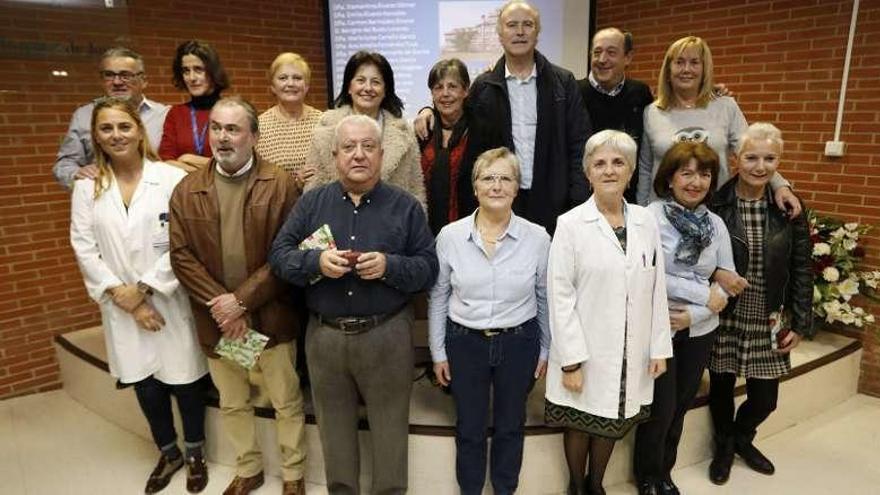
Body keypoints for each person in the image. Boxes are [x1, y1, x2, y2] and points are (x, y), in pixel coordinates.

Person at [269, 115, 438, 495]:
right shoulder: (312, 203)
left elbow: (429, 269)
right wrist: (315, 263)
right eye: (349, 147)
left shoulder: (406, 207)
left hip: (387, 334)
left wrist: (389, 266)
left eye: (367, 147)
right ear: (335, 155)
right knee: (334, 433)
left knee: (391, 431)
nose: (358, 155)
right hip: (324, 338)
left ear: (380, 154)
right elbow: (279, 256)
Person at [69, 97, 208, 494]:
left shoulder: (169, 177)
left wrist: (144, 289)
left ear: (140, 130)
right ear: (96, 135)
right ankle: (169, 451)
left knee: (184, 379)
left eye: (124, 127)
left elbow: (185, 241)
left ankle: (195, 451)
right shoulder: (87, 187)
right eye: (107, 128)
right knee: (145, 382)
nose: (116, 135)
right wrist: (122, 295)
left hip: (167, 295)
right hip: (121, 305)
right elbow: (83, 246)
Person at [169, 97, 307, 495]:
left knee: (286, 401)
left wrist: (242, 301)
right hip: (219, 321)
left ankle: (294, 475)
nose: (223, 138)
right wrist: (225, 307)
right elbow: (181, 256)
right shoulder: (187, 189)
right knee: (233, 401)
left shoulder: (281, 183)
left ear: (254, 136)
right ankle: (249, 469)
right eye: (216, 128)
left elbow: (291, 252)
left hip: (272, 316)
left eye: (233, 129)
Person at [545, 130, 672, 495]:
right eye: (599, 163)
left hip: (633, 348)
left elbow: (656, 287)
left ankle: (596, 484)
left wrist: (659, 346)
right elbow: (560, 295)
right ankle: (576, 485)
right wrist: (570, 361)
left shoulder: (647, 221)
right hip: (586, 348)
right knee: (582, 421)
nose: (609, 170)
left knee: (613, 419)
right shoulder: (570, 224)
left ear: (631, 171)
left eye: (618, 163)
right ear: (588, 173)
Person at [428, 147, 550, 495]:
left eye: (505, 178)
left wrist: (545, 348)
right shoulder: (450, 236)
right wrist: (438, 353)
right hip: (464, 342)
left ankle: (504, 490)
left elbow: (543, 297)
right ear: (475, 186)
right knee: (470, 426)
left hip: (519, 341)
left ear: (516, 187)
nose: (496, 186)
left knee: (511, 425)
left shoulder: (538, 238)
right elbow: (438, 296)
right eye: (488, 178)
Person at [632, 142, 749, 495]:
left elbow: (728, 280)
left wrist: (696, 314)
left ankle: (664, 473)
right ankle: (647, 475)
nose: (695, 181)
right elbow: (646, 273)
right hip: (658, 326)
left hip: (699, 330)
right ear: (669, 179)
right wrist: (703, 294)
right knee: (661, 408)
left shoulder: (715, 224)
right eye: (686, 173)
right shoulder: (649, 218)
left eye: (704, 173)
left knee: (681, 405)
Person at [416, 0, 590, 234]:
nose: (519, 32)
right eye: (512, 25)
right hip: (501, 202)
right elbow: (454, 113)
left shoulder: (563, 82)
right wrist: (427, 111)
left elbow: (580, 144)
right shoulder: (484, 86)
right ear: (500, 34)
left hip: (554, 204)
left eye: (527, 24)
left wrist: (577, 201)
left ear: (537, 32)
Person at [707, 123, 813, 485]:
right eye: (751, 157)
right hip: (727, 314)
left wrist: (800, 322)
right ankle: (723, 444)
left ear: (779, 162)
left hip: (768, 317)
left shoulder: (789, 209)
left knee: (765, 399)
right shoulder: (716, 203)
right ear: (736, 159)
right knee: (720, 386)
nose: (760, 166)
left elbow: (801, 266)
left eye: (770, 159)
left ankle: (741, 438)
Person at [636, 36, 801, 218]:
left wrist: (780, 185)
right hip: (663, 215)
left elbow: (752, 152)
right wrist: (642, 213)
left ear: (705, 68)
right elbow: (645, 167)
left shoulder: (725, 106)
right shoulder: (652, 112)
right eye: (679, 62)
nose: (686, 69)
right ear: (668, 68)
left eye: (694, 62)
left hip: (714, 210)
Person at [304, 50, 426, 208]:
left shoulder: (405, 132)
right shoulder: (325, 128)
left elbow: (415, 189)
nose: (368, 88)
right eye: (360, 80)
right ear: (349, 87)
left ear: (385, 90)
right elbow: (313, 191)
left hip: (391, 226)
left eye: (376, 82)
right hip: (336, 226)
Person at [53, 47, 169, 189]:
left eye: (125, 75)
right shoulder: (83, 116)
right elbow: (64, 164)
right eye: (109, 75)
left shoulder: (164, 115)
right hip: (103, 199)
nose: (117, 82)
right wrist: (77, 173)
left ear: (143, 80)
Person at [419, 58, 495, 234]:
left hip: (473, 231)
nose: (445, 94)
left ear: (466, 90)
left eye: (452, 86)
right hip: (424, 234)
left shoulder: (482, 131)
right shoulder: (423, 132)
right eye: (438, 87)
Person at [578, 28, 653, 203]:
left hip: (628, 202)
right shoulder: (573, 92)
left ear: (628, 58)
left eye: (611, 52)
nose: (602, 59)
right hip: (583, 202)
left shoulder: (640, 93)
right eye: (597, 52)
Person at [159, 40, 230, 172]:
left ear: (213, 72)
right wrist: (212, 167)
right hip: (184, 190)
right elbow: (165, 163)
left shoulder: (232, 111)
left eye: (198, 69)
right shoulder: (176, 113)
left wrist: (187, 158)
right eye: (186, 71)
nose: (191, 78)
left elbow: (235, 164)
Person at [256, 52, 323, 190]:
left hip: (318, 205)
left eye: (297, 78)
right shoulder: (259, 126)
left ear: (307, 86)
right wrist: (294, 183)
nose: (290, 83)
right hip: (277, 207)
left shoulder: (323, 122)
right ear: (273, 86)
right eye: (283, 78)